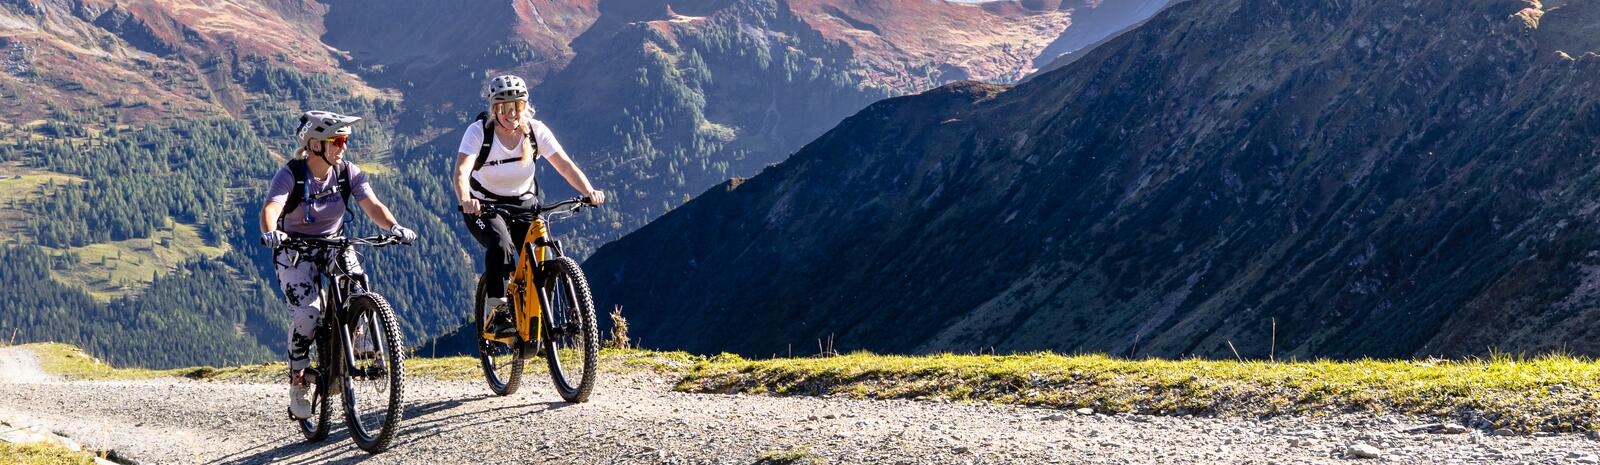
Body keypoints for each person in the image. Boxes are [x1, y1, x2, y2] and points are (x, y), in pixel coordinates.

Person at [259, 110, 416, 420]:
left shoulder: (347, 173)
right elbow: (271, 207)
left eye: (345, 140)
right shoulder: (291, 174)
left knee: (358, 283)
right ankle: (299, 379)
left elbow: (372, 205)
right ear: (315, 145)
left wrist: (394, 227)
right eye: (337, 141)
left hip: (334, 243)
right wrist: (270, 232)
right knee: (309, 313)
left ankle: (355, 343)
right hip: (295, 250)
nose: (343, 147)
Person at [454, 75, 604, 335]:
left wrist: (588, 190)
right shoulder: (479, 132)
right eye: (503, 107)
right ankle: (499, 312)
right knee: (501, 245)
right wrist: (466, 199)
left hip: (524, 202)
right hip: (484, 205)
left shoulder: (535, 131)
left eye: (518, 106)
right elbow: (462, 171)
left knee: (540, 254)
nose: (511, 114)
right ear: (494, 109)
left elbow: (565, 165)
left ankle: (538, 321)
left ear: (525, 106)